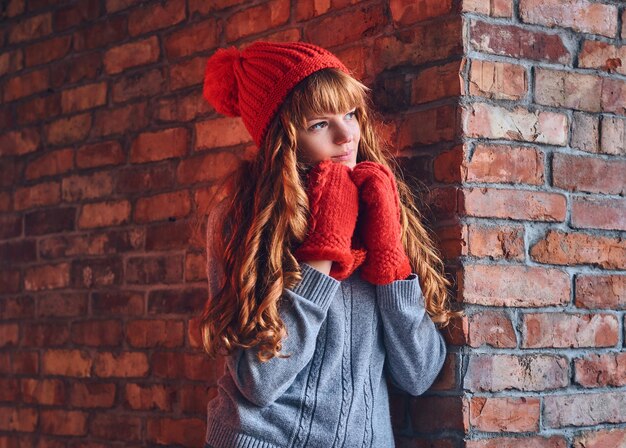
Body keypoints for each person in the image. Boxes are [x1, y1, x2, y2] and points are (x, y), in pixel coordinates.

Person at [198, 41, 460, 448]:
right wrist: (324, 250)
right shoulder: (240, 220)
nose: (346, 135)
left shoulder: (379, 201)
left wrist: (391, 261)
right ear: (281, 139)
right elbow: (259, 382)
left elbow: (420, 375)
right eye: (319, 124)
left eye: (351, 114)